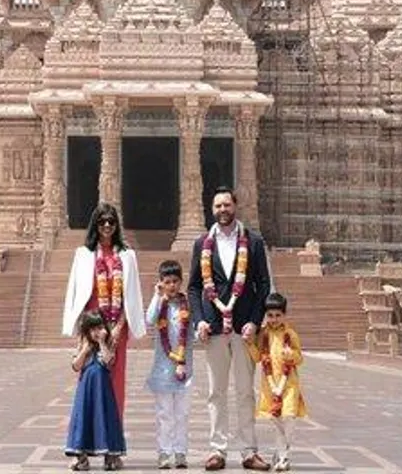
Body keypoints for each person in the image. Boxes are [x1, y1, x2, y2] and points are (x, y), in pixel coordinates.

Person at [187, 186, 272, 472]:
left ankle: (249, 451)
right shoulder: (202, 243)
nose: (223, 210)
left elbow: (263, 285)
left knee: (246, 391)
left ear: (235, 206)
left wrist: (255, 321)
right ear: (212, 210)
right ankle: (217, 450)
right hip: (213, 326)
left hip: (243, 326)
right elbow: (194, 286)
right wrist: (198, 318)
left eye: (227, 205)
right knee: (216, 391)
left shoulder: (254, 242)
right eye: (218, 206)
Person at [62, 203, 146, 438]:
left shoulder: (127, 255)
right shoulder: (83, 254)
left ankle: (113, 443)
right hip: (92, 327)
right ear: (95, 225)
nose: (107, 225)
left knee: (116, 384)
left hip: (117, 327)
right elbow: (77, 291)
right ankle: (84, 441)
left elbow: (132, 294)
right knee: (88, 382)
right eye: (102, 221)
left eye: (111, 221)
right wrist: (83, 330)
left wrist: (120, 327)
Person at [247, 292, 307, 472]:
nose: (274, 319)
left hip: (289, 384)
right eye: (270, 315)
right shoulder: (263, 334)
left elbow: (300, 358)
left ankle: (285, 455)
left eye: (278, 315)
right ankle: (280, 453)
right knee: (277, 420)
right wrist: (250, 343)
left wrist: (292, 355)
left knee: (288, 417)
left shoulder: (291, 334)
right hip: (270, 385)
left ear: (284, 315)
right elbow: (258, 357)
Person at [145, 259, 194, 470]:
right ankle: (164, 451)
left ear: (181, 282)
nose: (172, 285)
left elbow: (192, 335)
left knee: (182, 413)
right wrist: (158, 295)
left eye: (175, 281)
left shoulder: (187, 305)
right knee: (164, 413)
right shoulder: (160, 303)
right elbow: (150, 319)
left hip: (184, 368)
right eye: (167, 281)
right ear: (161, 283)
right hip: (163, 369)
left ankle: (181, 451)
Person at [65, 309, 127, 471]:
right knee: (83, 418)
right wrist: (85, 350)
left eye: (99, 328)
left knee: (105, 418)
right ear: (86, 330)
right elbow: (75, 366)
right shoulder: (83, 343)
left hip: (103, 390)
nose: (96, 332)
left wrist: (101, 343)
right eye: (92, 329)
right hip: (86, 390)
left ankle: (110, 457)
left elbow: (107, 362)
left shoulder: (109, 343)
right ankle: (81, 457)